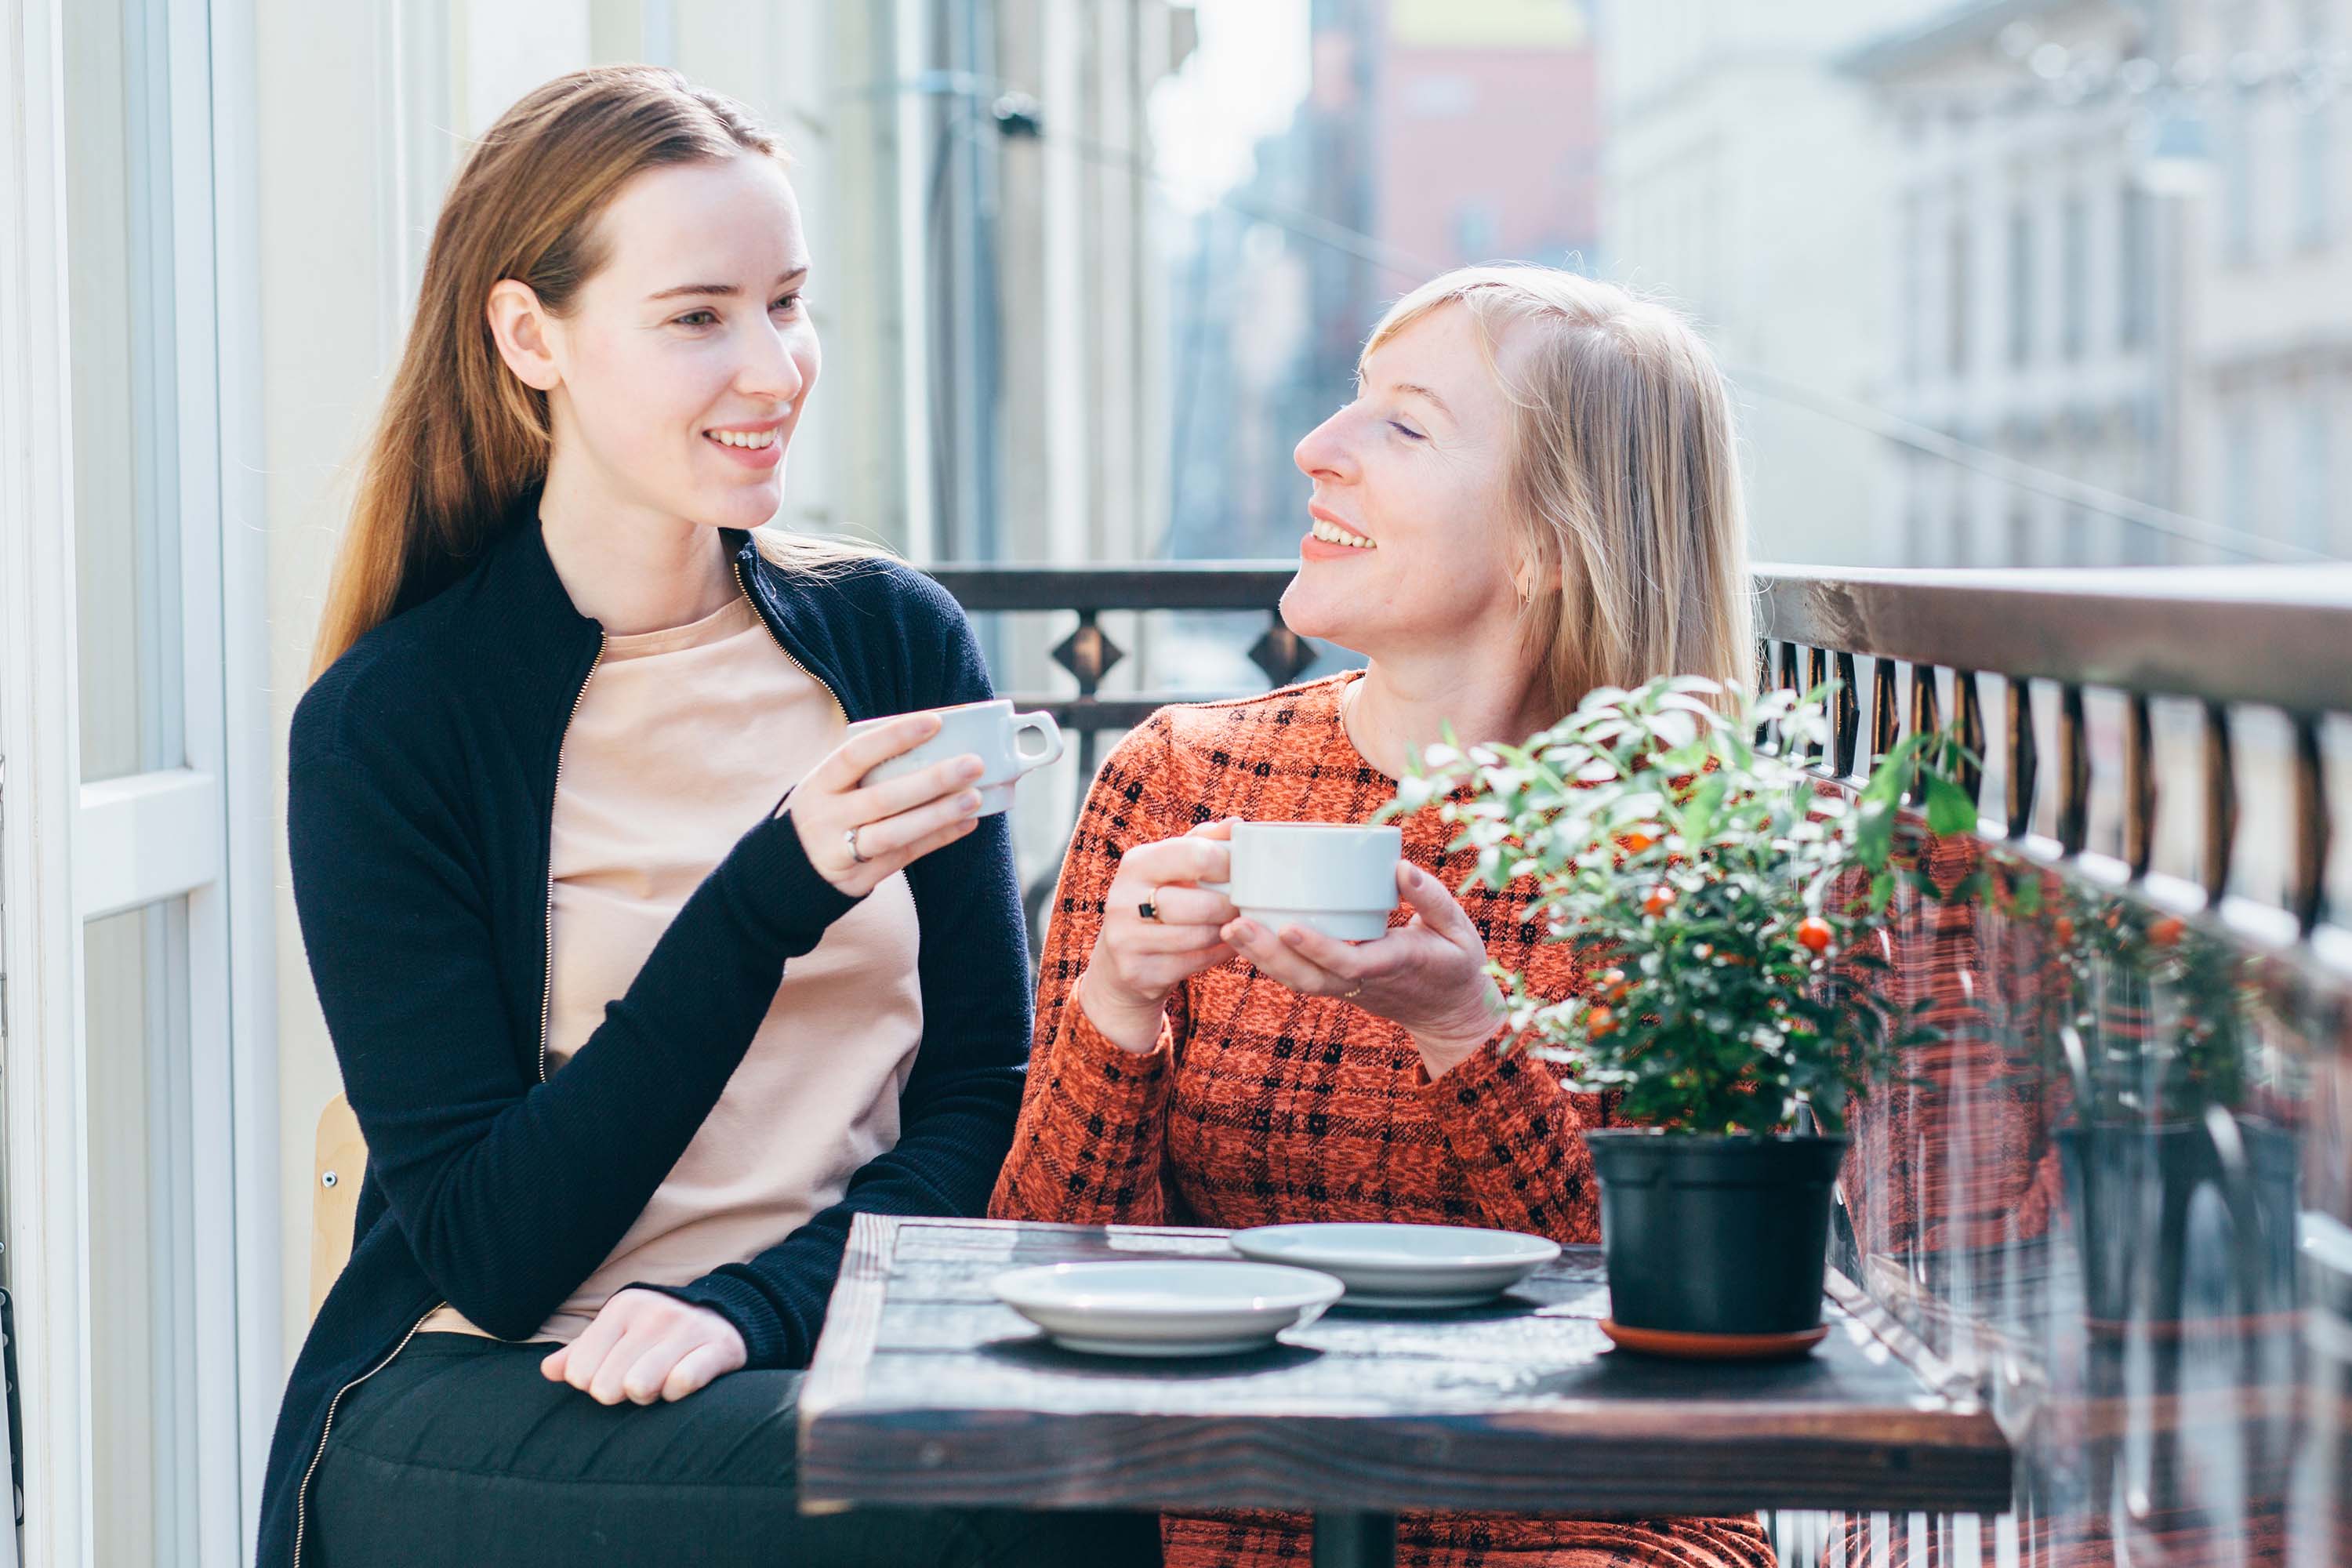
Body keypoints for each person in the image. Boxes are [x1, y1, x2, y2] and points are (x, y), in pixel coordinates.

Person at [260, 66, 1154, 1568]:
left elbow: (977, 1097)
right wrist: (773, 891)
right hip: (493, 1380)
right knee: (1026, 1501)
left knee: (1133, 1463)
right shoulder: (394, 725)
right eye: (697, 317)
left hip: (817, 1341)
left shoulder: (891, 643)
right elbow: (496, 1246)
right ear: (527, 336)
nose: (773, 367)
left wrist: (758, 1305)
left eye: (787, 302)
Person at [992, 265, 1776, 1568]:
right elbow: (1041, 1253)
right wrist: (1117, 1009)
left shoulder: (1690, 838)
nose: (1316, 450)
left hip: (1584, 1510)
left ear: (1546, 538)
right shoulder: (1183, 777)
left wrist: (1466, 1032)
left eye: (1404, 426)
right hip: (1239, 1495)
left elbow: (1680, 1296)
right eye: (1353, 403)